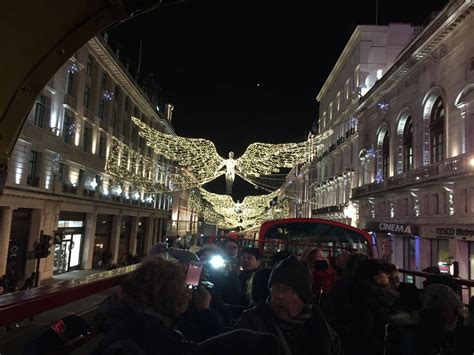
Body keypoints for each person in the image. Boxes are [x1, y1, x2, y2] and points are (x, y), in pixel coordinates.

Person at [237, 255, 343, 355]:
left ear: (303, 297)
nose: (280, 295)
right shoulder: (252, 322)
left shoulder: (323, 331)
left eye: (287, 289)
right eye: (276, 287)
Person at [93, 257, 196, 354]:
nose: (186, 291)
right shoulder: (152, 332)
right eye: (182, 286)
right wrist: (204, 312)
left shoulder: (121, 313)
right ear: (171, 293)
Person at [385, 284, 465, 355]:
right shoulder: (418, 339)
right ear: (441, 312)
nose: (457, 316)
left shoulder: (428, 330)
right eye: (454, 310)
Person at [348, 258, 399, 355]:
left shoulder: (360, 290)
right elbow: (367, 332)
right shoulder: (369, 297)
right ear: (376, 277)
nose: (388, 275)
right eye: (384, 272)